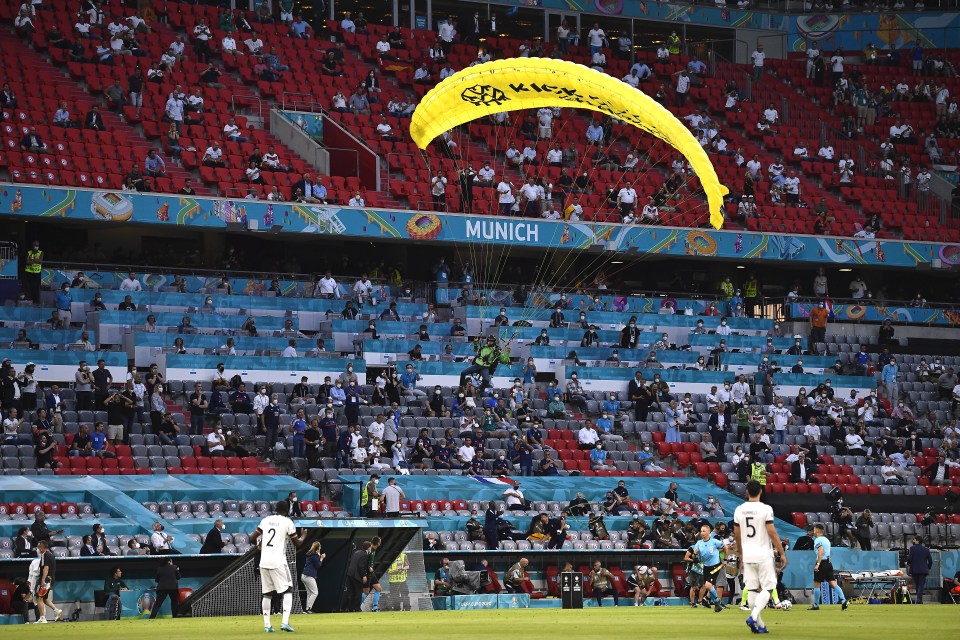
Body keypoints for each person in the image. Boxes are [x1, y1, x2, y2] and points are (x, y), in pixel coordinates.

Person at [734, 480, 787, 634]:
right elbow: (771, 531)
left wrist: (741, 552)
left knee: (751, 589)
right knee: (769, 587)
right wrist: (781, 552)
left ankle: (760, 625)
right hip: (763, 553)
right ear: (761, 492)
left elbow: (737, 534)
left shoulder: (739, 510)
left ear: (746, 492)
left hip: (748, 554)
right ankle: (754, 616)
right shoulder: (765, 509)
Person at [251, 500, 303, 632]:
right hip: (278, 561)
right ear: (288, 510)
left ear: (275, 508)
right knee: (288, 590)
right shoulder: (287, 522)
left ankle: (267, 625)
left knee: (267, 593)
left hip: (264, 562)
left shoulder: (266, 520)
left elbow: (252, 538)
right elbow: (297, 544)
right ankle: (285, 622)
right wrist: (304, 536)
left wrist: (258, 545)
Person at [810, 522, 848, 610]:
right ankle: (843, 600)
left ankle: (816, 605)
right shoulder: (827, 540)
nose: (813, 531)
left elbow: (821, 552)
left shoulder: (818, 540)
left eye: (814, 529)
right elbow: (828, 552)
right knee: (833, 582)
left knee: (817, 584)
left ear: (816, 530)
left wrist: (818, 564)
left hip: (821, 563)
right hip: (828, 563)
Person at [693, 523, 730, 612]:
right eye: (701, 531)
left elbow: (725, 548)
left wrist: (725, 560)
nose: (701, 533)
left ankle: (717, 602)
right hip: (706, 567)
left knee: (708, 585)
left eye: (704, 531)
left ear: (709, 532)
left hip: (715, 566)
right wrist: (695, 554)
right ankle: (714, 603)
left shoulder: (714, 542)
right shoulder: (699, 543)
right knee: (709, 586)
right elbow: (694, 557)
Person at [34, 539, 62, 623]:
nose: (38, 549)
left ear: (42, 547)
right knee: (44, 598)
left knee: (39, 598)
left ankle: (42, 618)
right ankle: (57, 610)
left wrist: (43, 580)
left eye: (39, 547)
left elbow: (46, 568)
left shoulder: (44, 555)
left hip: (46, 580)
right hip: (51, 579)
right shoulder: (51, 555)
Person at [907, 536, 932, 603]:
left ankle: (919, 599)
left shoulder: (912, 548)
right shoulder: (926, 549)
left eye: (914, 540)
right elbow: (930, 561)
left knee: (917, 585)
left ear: (917, 541)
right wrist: (928, 567)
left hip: (914, 570)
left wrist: (908, 563)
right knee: (921, 585)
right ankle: (919, 599)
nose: (913, 541)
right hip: (923, 570)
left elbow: (910, 558)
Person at [301, 541, 324, 613]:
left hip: (304, 575)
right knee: (315, 593)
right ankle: (308, 609)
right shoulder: (315, 555)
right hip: (309, 576)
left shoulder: (309, 553)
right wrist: (321, 558)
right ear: (318, 548)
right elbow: (318, 565)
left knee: (309, 593)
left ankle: (307, 609)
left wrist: (319, 556)